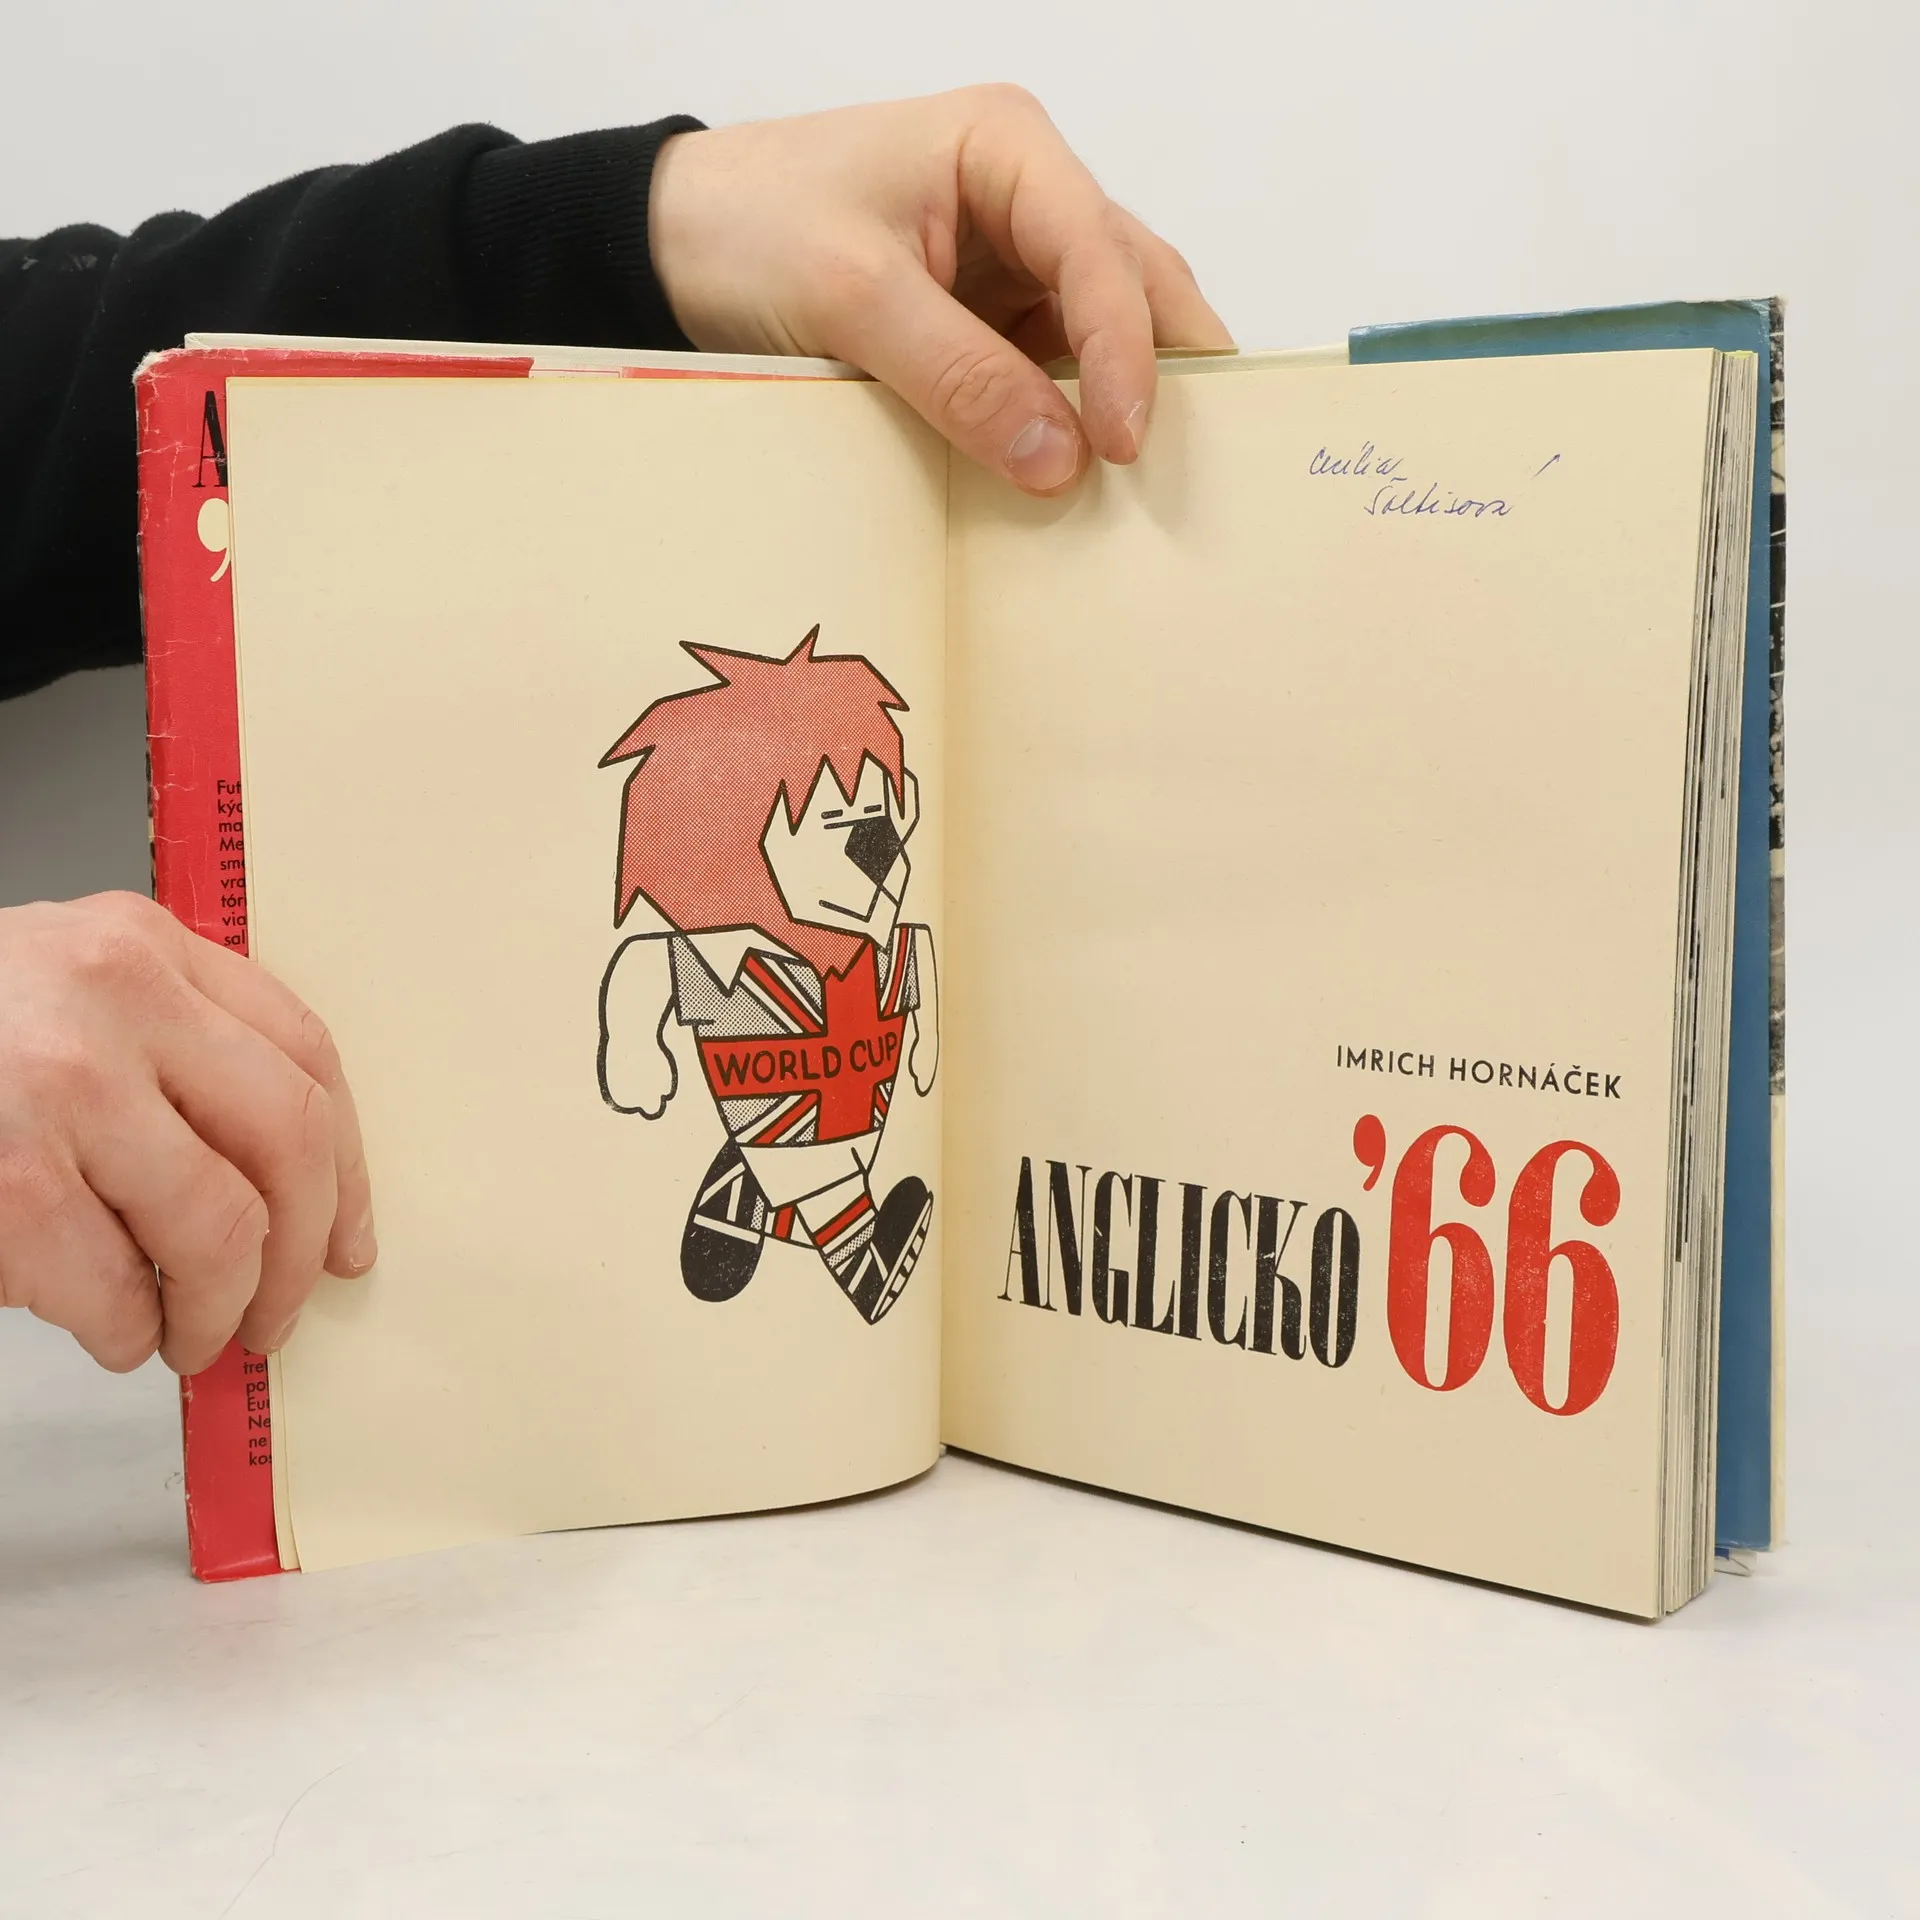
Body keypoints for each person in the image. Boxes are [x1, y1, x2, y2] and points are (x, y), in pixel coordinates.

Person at [0, 85, 1229, 1378]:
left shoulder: (858, 943)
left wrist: (647, 225)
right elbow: (647, 977)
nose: (876, 846)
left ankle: (753, 1196)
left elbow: (61, 397)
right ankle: (826, 1229)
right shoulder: (714, 954)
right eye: (835, 815)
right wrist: (635, 1035)